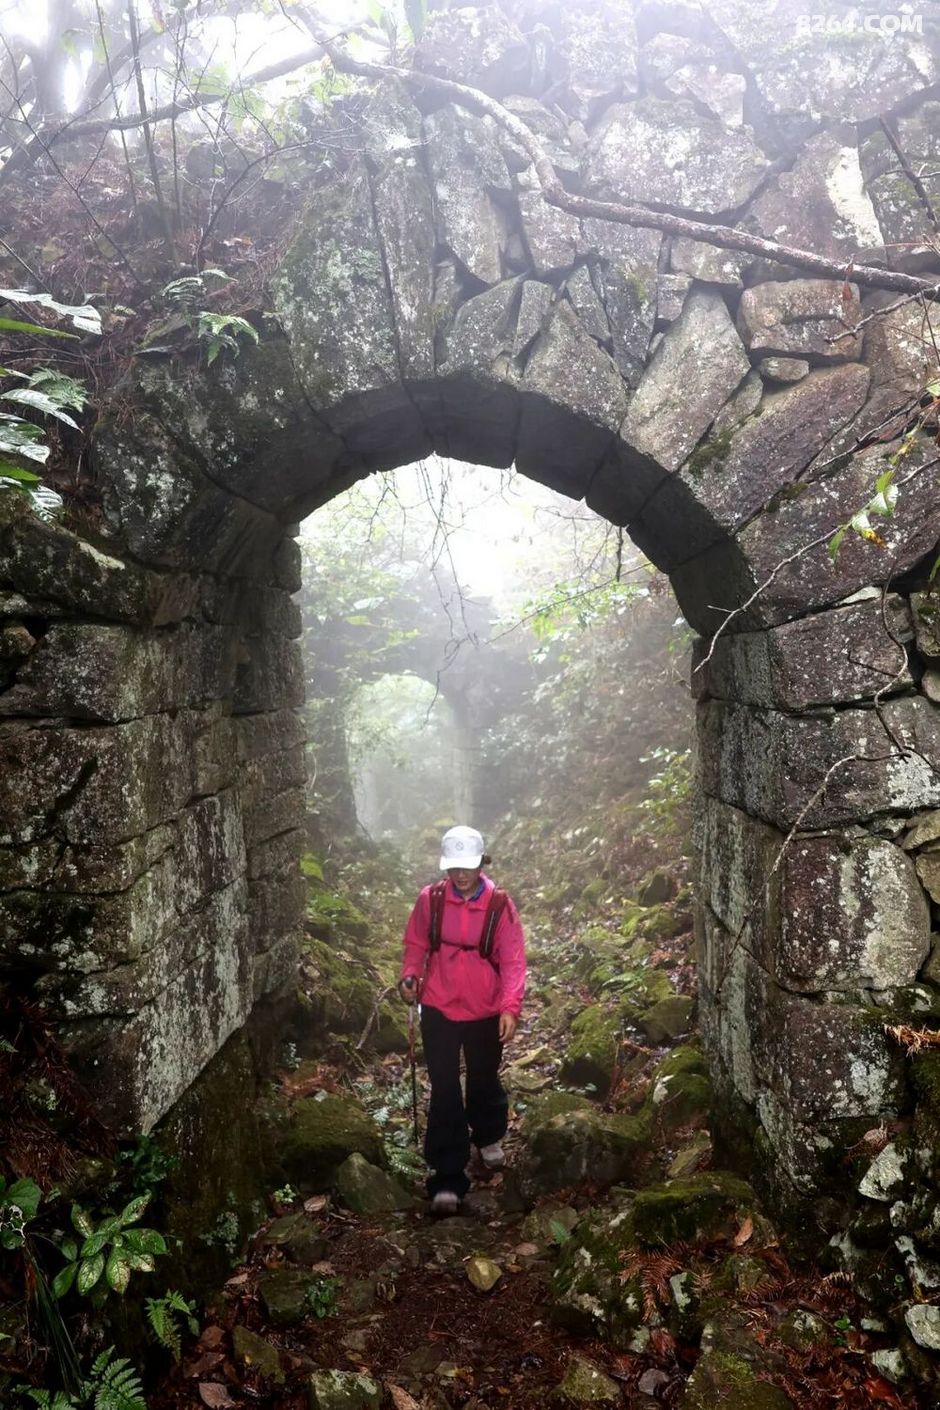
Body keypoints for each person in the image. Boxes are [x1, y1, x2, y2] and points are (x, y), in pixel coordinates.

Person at [398, 825, 526, 1215]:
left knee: (483, 1075)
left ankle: (488, 1133)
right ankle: (447, 1177)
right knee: (445, 1087)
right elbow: (416, 943)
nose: (461, 874)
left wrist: (510, 1007)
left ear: (481, 863)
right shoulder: (431, 900)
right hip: (438, 1005)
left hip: (484, 1008)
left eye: (467, 866)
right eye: (454, 867)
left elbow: (513, 960)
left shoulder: (499, 905)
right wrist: (410, 975)